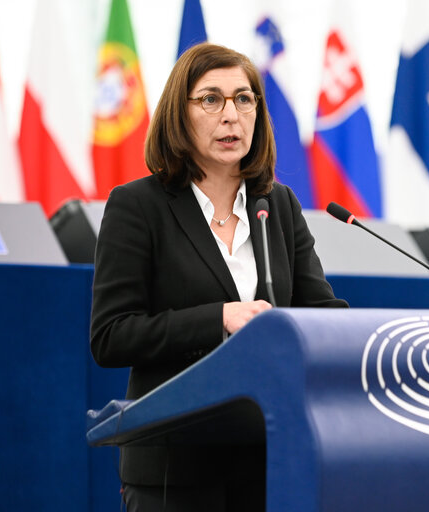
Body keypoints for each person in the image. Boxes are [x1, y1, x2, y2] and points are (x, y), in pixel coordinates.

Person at [90, 43, 348, 511]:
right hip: (175, 471)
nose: (231, 115)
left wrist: (359, 336)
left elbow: (320, 313)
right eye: (211, 99)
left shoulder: (279, 206)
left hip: (270, 466)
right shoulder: (139, 207)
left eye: (244, 99)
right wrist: (219, 318)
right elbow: (111, 336)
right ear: (178, 114)